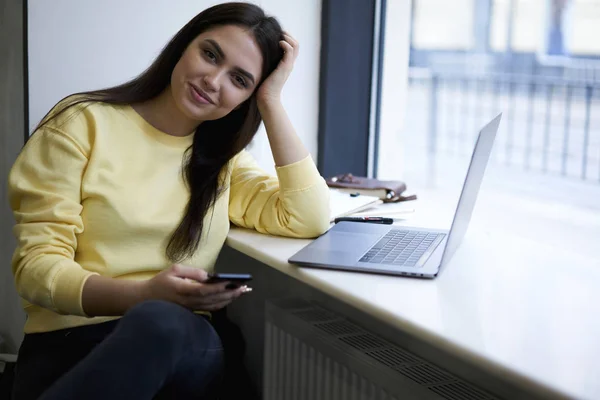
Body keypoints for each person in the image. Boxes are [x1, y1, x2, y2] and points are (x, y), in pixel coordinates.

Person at [8, 2, 330, 399]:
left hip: (180, 346)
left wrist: (272, 102)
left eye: (240, 80)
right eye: (210, 54)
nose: (213, 80)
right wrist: (142, 295)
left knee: (162, 322)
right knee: (156, 317)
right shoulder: (81, 123)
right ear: (183, 45)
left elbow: (309, 217)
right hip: (66, 347)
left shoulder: (223, 163)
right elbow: (36, 269)